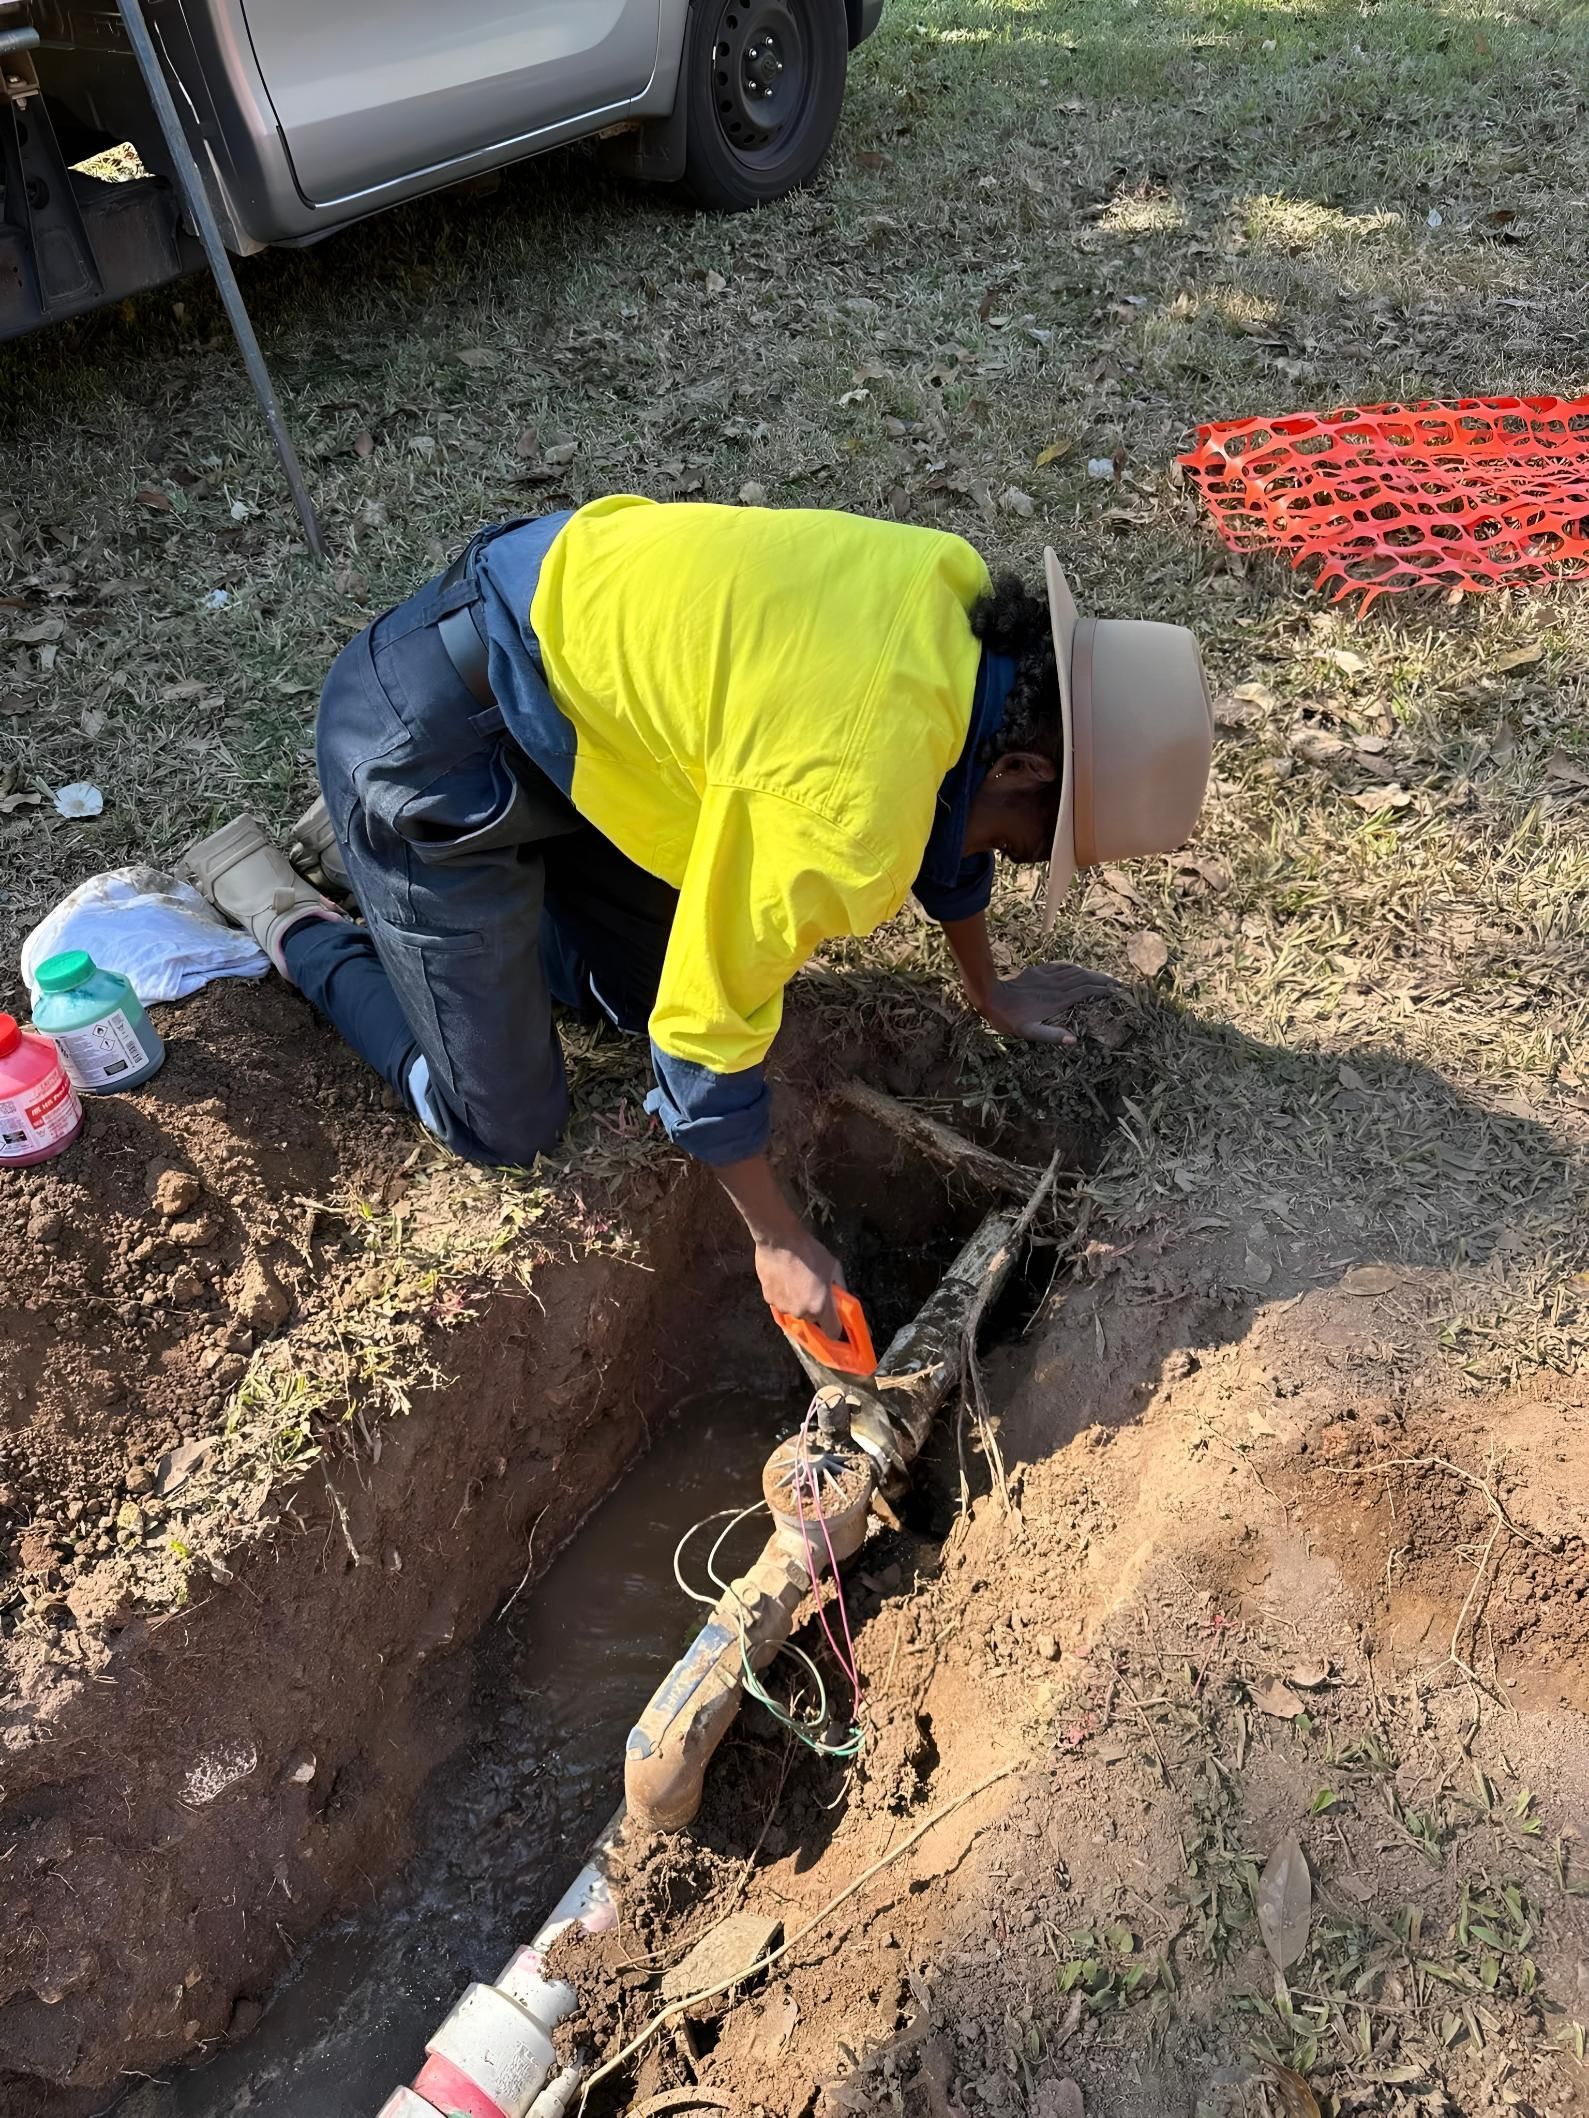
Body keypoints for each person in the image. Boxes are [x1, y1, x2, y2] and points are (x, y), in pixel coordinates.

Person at [187, 499, 1212, 1336]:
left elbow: (955, 819)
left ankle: (393, 868)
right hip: (434, 733)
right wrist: (775, 1239)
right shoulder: (851, 811)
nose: (1000, 861)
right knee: (502, 1126)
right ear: (1027, 761)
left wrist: (985, 985)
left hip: (566, 707)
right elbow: (702, 1035)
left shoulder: (953, 612)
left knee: (636, 992)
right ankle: (297, 911)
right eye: (1022, 842)